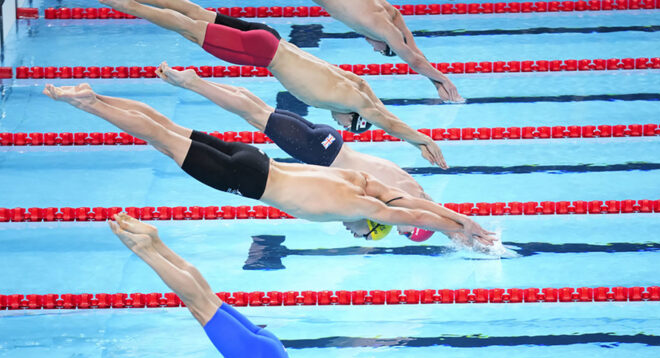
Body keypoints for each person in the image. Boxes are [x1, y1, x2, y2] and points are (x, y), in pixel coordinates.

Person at [43, 83, 496, 246]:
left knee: (168, 131)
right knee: (161, 137)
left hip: (257, 159)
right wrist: (460, 228)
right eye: (359, 232)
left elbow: (414, 203)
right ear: (370, 224)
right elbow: (413, 213)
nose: (350, 232)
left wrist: (463, 223)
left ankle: (97, 95)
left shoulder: (359, 183)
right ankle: (89, 104)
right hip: (247, 178)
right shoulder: (363, 208)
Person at [98, 0, 448, 170]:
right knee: (184, 26)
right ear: (352, 117)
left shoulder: (353, 85)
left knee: (195, 14)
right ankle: (122, 3)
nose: (341, 128)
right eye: (348, 126)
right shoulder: (348, 98)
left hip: (269, 36)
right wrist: (421, 139)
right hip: (260, 51)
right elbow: (386, 119)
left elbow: (373, 98)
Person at [155, 61, 438, 242]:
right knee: (255, 115)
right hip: (321, 154)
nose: (398, 225)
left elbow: (428, 207)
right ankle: (193, 82)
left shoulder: (410, 186)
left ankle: (198, 82)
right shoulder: (402, 203)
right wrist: (463, 235)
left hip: (330, 143)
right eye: (403, 230)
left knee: (258, 112)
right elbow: (418, 214)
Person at [107, 212, 315, 358]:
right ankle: (145, 250)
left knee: (207, 298)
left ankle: (156, 243)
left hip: (278, 355)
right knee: (199, 305)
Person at [311, 0, 464, 103]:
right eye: (381, 52)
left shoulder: (390, 13)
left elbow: (414, 51)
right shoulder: (383, 29)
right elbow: (414, 60)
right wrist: (445, 80)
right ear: (388, 43)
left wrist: (437, 85)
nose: (374, 49)